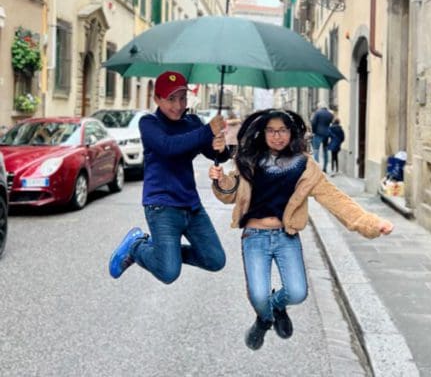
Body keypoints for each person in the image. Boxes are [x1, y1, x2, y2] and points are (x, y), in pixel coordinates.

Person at [208, 109, 393, 350]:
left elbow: (335, 198)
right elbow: (229, 195)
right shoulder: (249, 161)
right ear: (263, 133)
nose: (277, 136)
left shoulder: (305, 165)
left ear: (292, 132)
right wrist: (220, 180)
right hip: (254, 237)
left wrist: (370, 223)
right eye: (271, 131)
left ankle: (276, 307)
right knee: (258, 296)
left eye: (283, 130)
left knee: (297, 293)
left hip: (286, 236)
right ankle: (264, 320)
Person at [108, 70, 228, 283]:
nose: (178, 105)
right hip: (161, 205)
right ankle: (137, 246)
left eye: (182, 98)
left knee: (215, 259)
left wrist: (221, 146)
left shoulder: (192, 122)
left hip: (191, 206)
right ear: (157, 99)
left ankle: (165, 254)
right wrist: (207, 130)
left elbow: (214, 154)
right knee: (168, 272)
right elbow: (168, 147)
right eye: (171, 99)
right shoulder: (149, 123)